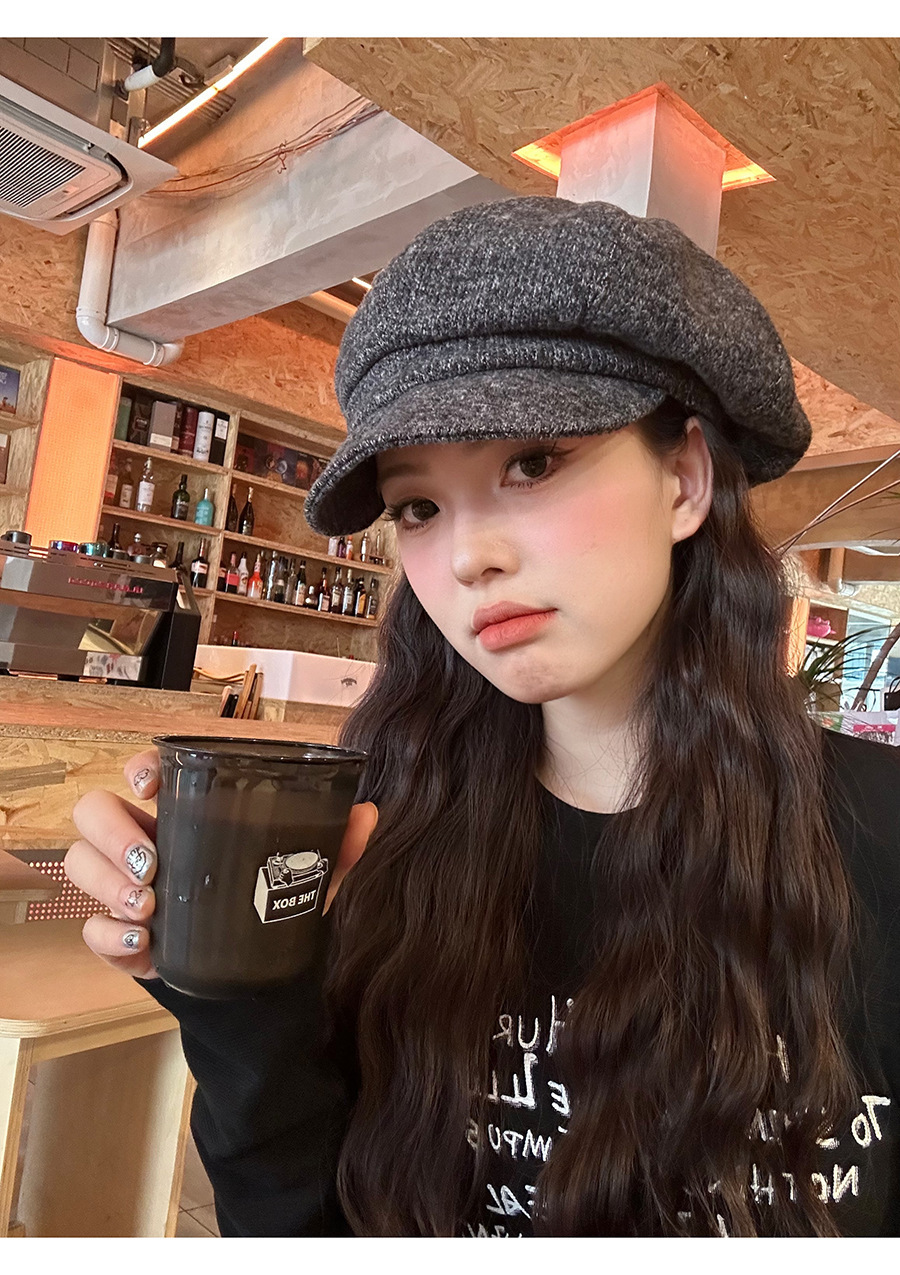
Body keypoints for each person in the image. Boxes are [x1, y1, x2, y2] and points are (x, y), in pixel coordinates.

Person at [66, 197, 899, 1238]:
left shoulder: (878, 836)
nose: (467, 558)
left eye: (532, 463)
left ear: (685, 479)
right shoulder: (385, 831)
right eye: (418, 506)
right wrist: (240, 1001)